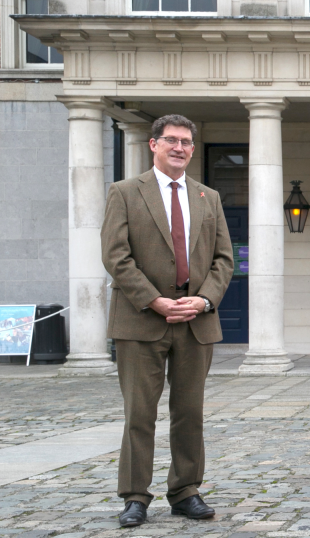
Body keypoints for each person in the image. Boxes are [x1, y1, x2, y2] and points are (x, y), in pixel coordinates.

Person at [101, 114, 233, 528]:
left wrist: (204, 300)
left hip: (195, 320)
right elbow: (115, 256)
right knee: (140, 413)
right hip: (140, 320)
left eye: (186, 142)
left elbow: (223, 259)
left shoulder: (208, 197)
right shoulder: (124, 192)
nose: (179, 148)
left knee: (188, 412)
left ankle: (186, 491)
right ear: (153, 145)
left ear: (193, 149)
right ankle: (136, 496)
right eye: (171, 140)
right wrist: (154, 300)